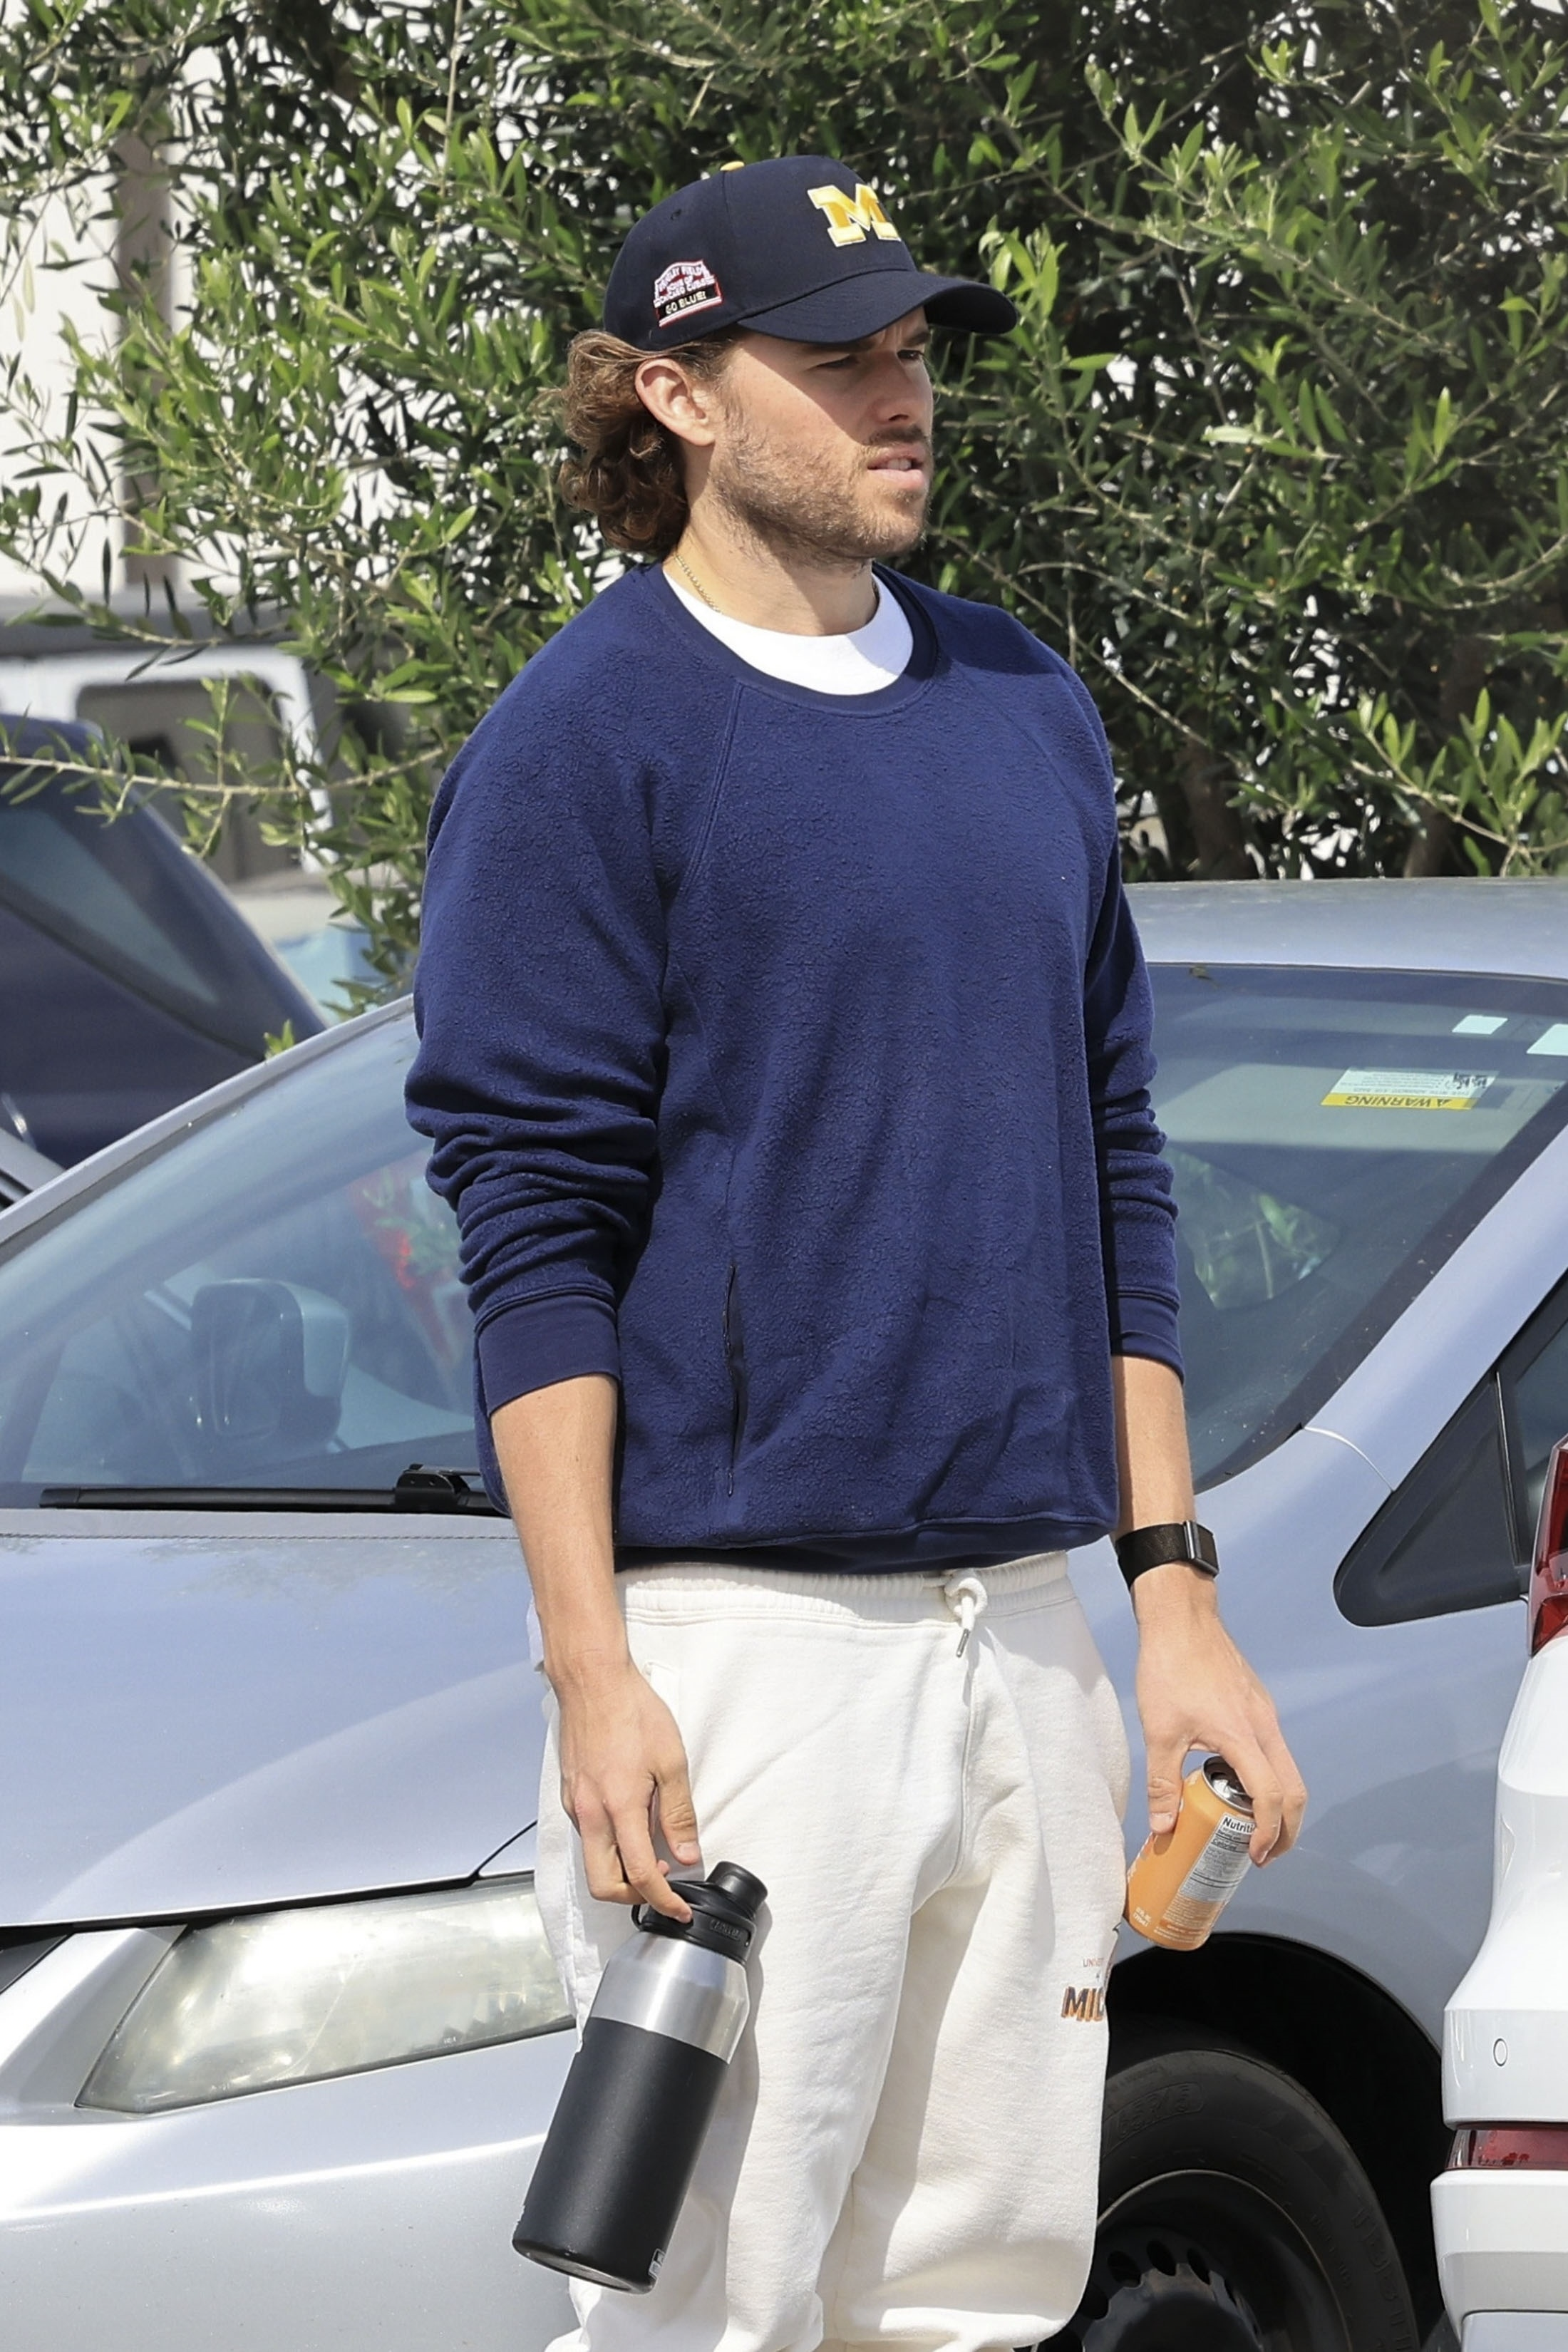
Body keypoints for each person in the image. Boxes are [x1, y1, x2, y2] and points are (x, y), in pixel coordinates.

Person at [406, 153, 1306, 2352]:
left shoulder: (1022, 708)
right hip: (740, 1656)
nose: (904, 396)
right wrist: (590, 1663)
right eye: (842, 357)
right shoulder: (582, 743)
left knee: (986, 2295)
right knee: (715, 2303)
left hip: (1024, 1634)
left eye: (915, 348)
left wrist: (1167, 1594)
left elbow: (1116, 1173)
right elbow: (529, 1216)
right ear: (679, 396)